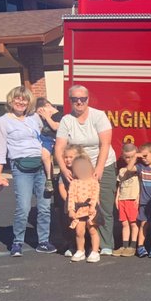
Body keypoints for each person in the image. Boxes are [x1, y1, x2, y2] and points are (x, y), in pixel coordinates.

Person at [54, 85, 118, 255]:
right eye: (75, 99)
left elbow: (105, 144)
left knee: (103, 205)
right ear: (70, 100)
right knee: (73, 205)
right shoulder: (67, 120)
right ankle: (75, 245)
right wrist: (63, 169)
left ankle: (105, 244)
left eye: (83, 98)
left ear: (88, 99)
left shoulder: (99, 116)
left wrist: (99, 168)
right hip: (77, 168)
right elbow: (59, 147)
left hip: (102, 163)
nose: (79, 102)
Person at [0, 85, 54, 256]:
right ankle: (17, 242)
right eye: (17, 98)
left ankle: (43, 241)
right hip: (20, 167)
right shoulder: (2, 122)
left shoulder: (34, 118)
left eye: (24, 99)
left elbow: (45, 133)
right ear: (10, 100)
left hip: (41, 166)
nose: (21, 102)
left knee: (44, 207)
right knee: (23, 207)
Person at [67, 155, 101, 263]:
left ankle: (95, 251)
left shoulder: (93, 181)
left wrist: (92, 206)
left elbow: (95, 195)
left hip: (90, 209)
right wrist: (71, 209)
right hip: (79, 210)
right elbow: (71, 197)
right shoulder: (74, 183)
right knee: (79, 231)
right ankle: (80, 250)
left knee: (92, 230)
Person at [56, 145, 84, 257]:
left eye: (71, 157)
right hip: (70, 204)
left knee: (85, 226)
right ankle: (72, 246)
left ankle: (88, 246)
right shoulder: (64, 172)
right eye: (66, 157)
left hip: (82, 203)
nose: (68, 160)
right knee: (71, 225)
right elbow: (61, 187)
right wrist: (68, 201)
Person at [114, 143, 141, 257]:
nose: (129, 159)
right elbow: (120, 185)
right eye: (127, 157)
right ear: (123, 156)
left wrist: (138, 197)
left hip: (132, 199)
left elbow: (141, 185)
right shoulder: (121, 170)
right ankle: (124, 246)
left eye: (132, 157)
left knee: (133, 223)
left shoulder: (137, 169)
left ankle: (132, 246)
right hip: (122, 199)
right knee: (124, 224)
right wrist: (117, 198)